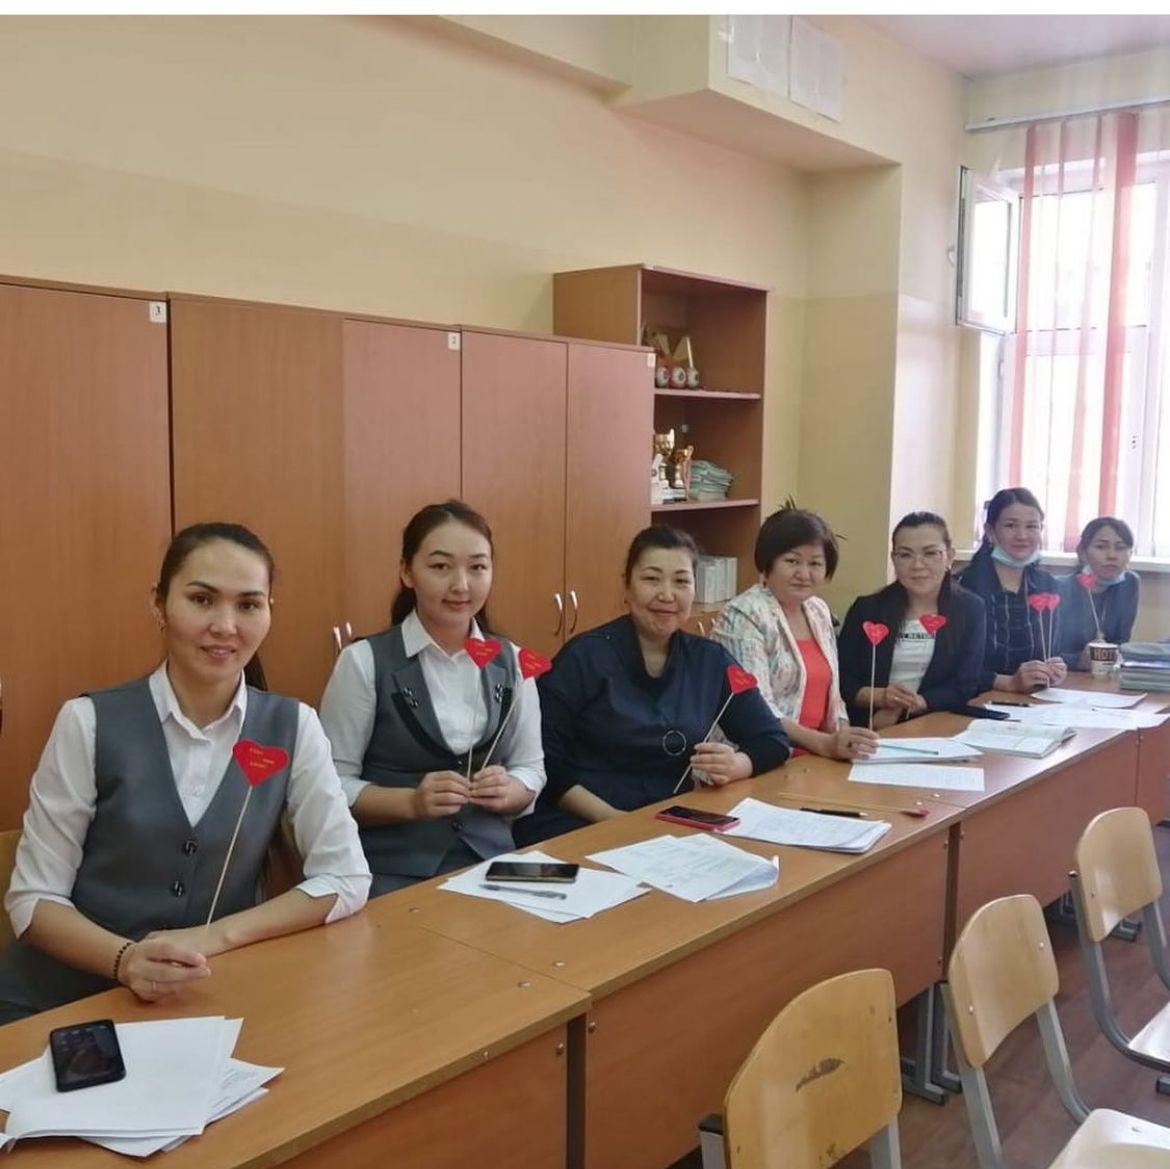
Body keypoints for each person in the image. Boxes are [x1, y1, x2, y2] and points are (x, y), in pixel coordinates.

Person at [0, 523, 370, 1022]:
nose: (225, 626)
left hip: (202, 1001)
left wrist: (216, 936)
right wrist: (125, 959)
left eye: (248, 605)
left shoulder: (293, 725)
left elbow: (345, 877)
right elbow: (33, 899)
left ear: (269, 611)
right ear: (159, 604)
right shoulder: (87, 721)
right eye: (202, 600)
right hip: (62, 1002)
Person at [319, 501, 545, 896]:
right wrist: (411, 803)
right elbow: (330, 785)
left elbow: (531, 768)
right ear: (407, 572)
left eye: (478, 567)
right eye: (441, 566)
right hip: (391, 871)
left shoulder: (512, 661)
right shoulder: (364, 662)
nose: (462, 585)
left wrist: (511, 790)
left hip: (491, 861)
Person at [514, 526, 790, 846]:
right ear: (627, 587)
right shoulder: (584, 657)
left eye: (681, 581)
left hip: (666, 823)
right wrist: (616, 821)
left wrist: (735, 765)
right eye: (652, 579)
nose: (667, 595)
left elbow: (772, 740)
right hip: (579, 823)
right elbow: (544, 762)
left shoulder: (709, 660)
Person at [711, 503, 878, 759]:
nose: (804, 574)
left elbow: (834, 698)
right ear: (767, 563)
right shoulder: (744, 614)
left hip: (816, 759)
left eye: (815, 563)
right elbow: (756, 707)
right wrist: (824, 744)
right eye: (792, 561)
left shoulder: (818, 610)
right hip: (757, 760)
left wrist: (846, 738)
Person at [838, 512, 987, 727]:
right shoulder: (867, 609)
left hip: (935, 722)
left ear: (949, 556)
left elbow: (966, 683)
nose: (918, 565)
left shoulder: (970, 609)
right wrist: (881, 697)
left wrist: (917, 703)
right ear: (893, 559)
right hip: (871, 723)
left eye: (930, 553)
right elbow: (842, 679)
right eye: (905, 555)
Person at [958, 487, 1068, 693]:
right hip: (977, 698)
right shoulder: (963, 587)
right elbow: (952, 667)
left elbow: (1052, 650)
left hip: (1035, 699)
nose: (1022, 535)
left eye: (1032, 526)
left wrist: (1054, 669)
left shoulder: (1048, 586)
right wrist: (1007, 682)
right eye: (1010, 525)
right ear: (990, 531)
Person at [1058, 517, 1140, 669]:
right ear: (1082, 552)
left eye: (1120, 548)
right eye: (1101, 547)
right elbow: (1044, 653)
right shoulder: (1060, 589)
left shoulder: (1129, 583)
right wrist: (1077, 661)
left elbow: (1121, 642)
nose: (1112, 555)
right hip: (1066, 675)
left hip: (1106, 675)